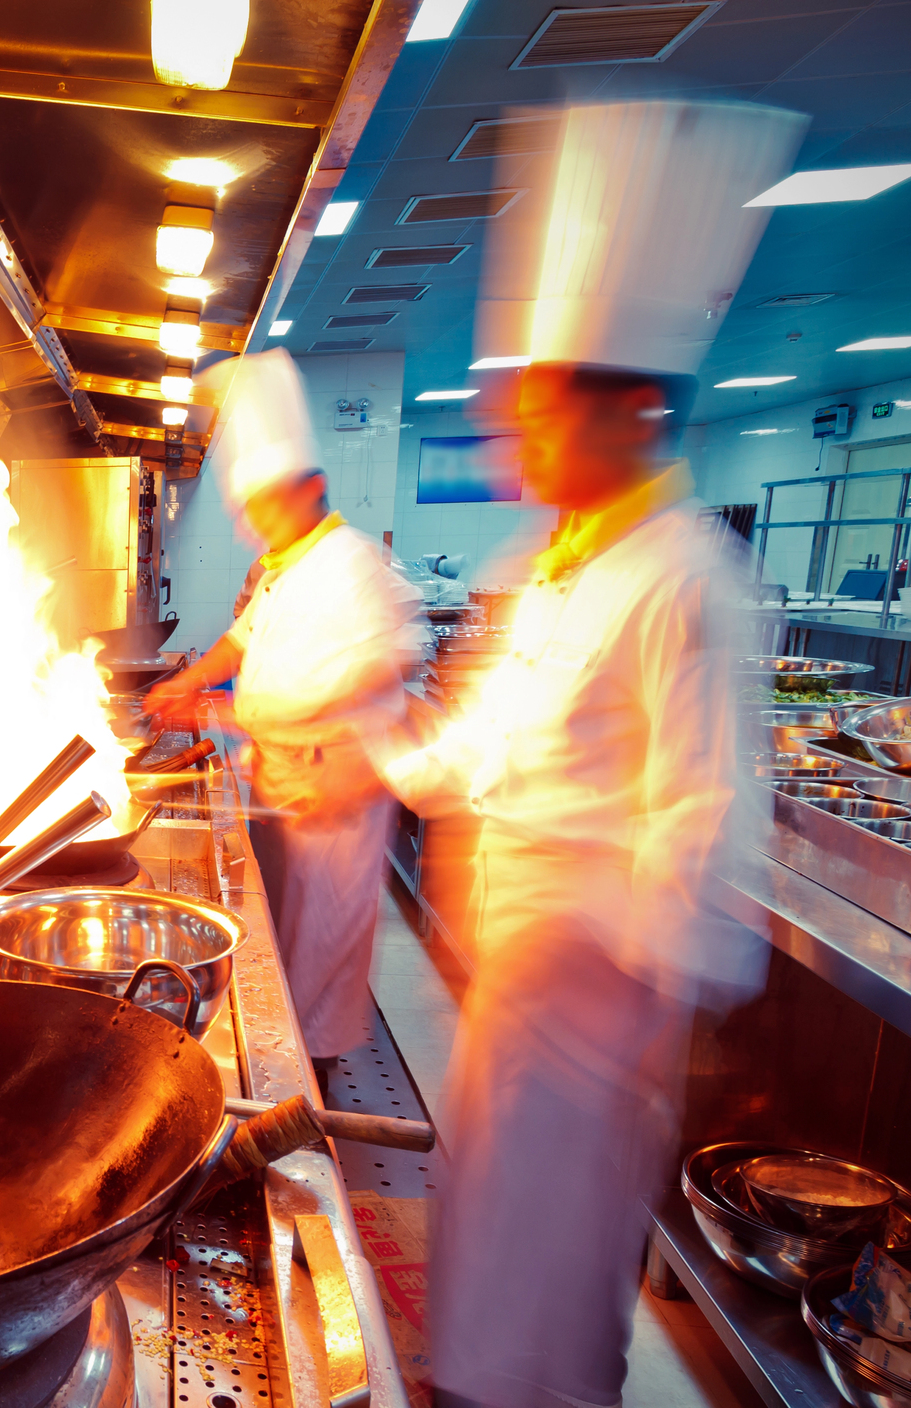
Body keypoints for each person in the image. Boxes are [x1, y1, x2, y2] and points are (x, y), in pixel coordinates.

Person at [374, 98, 798, 1408]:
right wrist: (382, 753)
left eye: (543, 409)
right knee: (483, 1286)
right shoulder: (554, 568)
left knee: (550, 1332)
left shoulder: (690, 580)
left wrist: (595, 948)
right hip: (508, 1006)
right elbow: (489, 751)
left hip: (594, 1030)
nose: (520, 437)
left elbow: (708, 845)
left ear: (630, 413)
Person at [146, 351, 418, 1076]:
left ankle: (310, 1098)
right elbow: (243, 640)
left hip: (334, 800)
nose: (249, 526)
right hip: (282, 788)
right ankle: (287, 1067)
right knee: (279, 957)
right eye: (247, 510)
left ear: (314, 488)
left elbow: (385, 667)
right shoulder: (286, 563)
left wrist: (214, 714)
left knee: (318, 965)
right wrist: (190, 686)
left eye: (262, 506)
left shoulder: (357, 568)